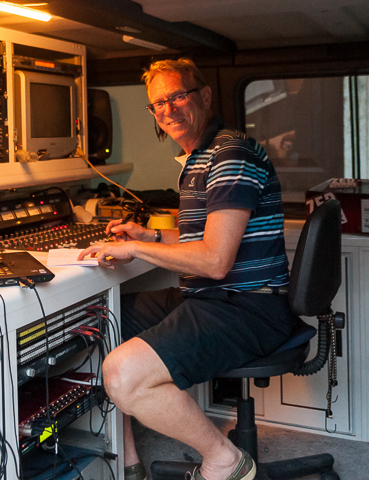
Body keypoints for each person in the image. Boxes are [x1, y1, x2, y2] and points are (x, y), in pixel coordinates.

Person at [78, 58, 293, 480]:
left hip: (247, 307)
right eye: (158, 104)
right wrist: (151, 237)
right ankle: (129, 458)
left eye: (178, 96)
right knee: (105, 318)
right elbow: (202, 241)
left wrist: (138, 250)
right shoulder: (199, 158)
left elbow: (214, 260)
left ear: (204, 96)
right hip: (214, 298)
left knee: (122, 372)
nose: (168, 110)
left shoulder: (230, 153)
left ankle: (226, 461)